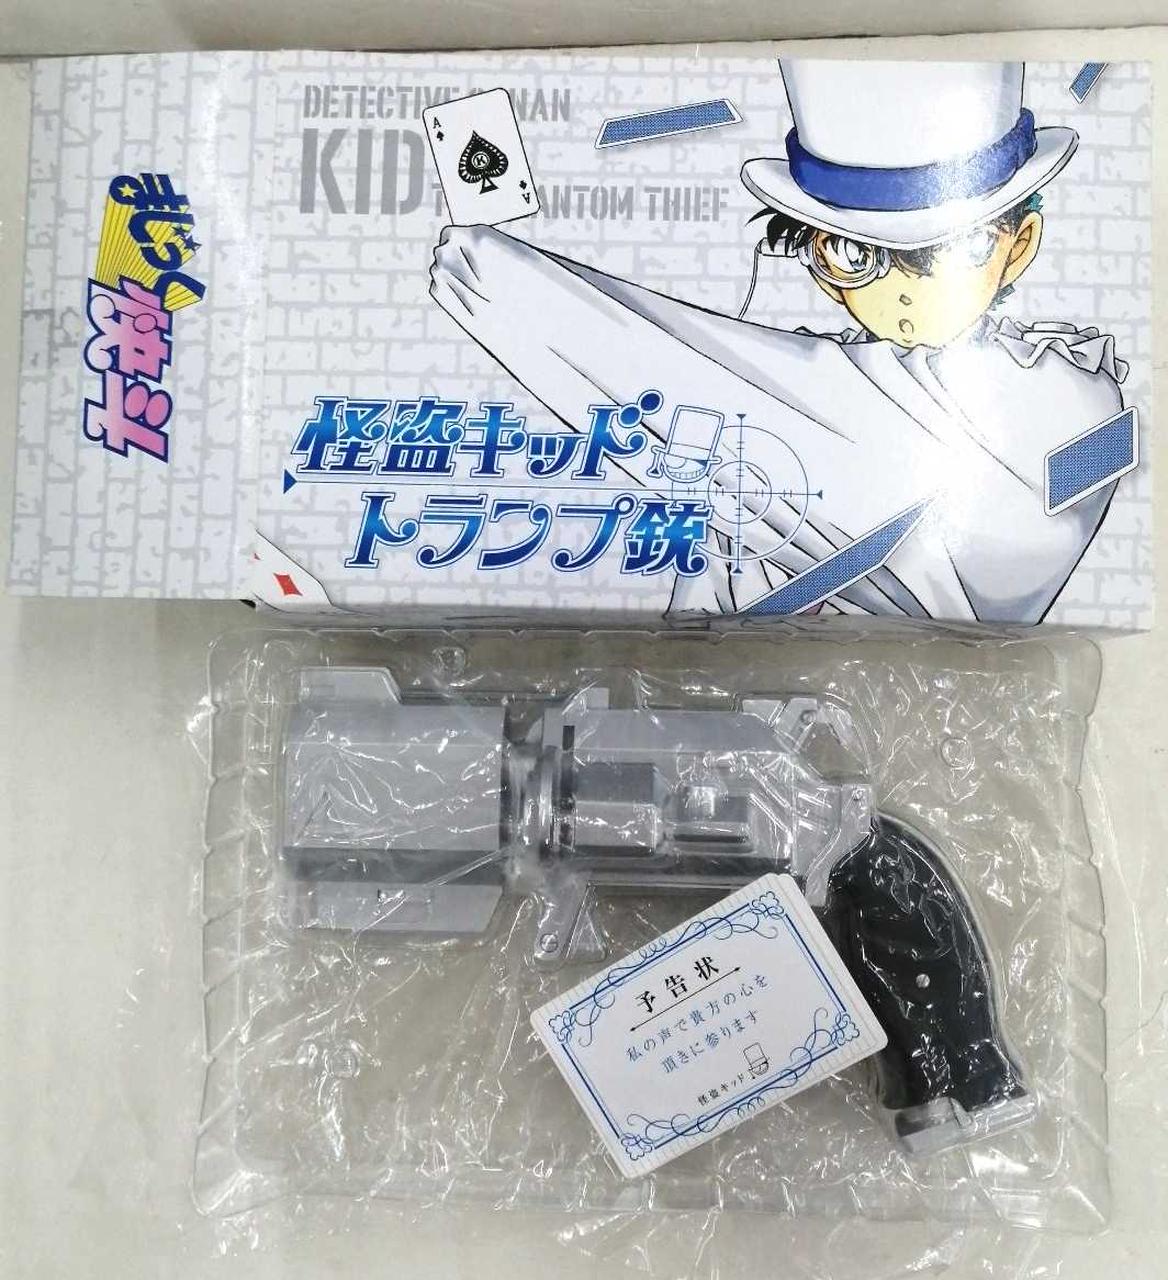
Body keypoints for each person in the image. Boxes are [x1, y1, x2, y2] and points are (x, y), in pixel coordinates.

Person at [430, 60, 1130, 622]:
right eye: (855, 256)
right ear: (820, 260)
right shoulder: (815, 382)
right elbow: (726, 539)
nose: (903, 295)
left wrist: (518, 292)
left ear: (1019, 244)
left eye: (951, 252)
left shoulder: (1065, 392)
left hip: (951, 702)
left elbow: (791, 423)